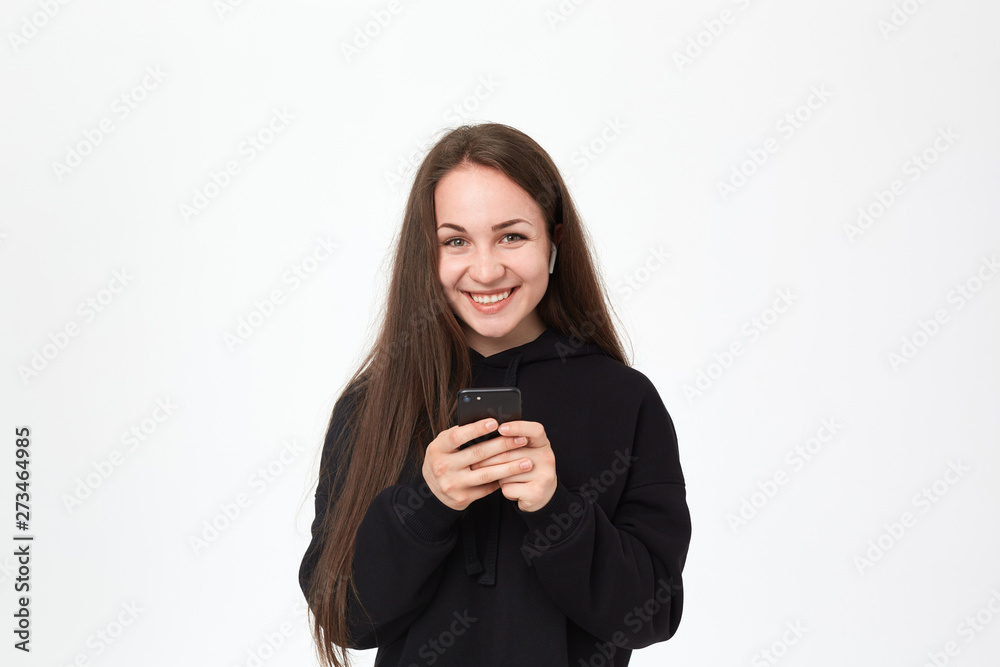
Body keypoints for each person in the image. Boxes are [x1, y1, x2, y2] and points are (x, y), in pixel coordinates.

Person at [298, 122, 691, 667]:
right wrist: (426, 505)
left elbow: (653, 613)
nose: (485, 270)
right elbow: (343, 618)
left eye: (512, 236)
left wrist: (556, 511)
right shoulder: (373, 405)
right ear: (426, 253)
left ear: (554, 242)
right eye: (455, 241)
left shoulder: (625, 400)